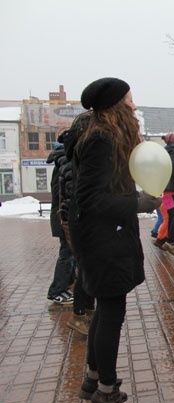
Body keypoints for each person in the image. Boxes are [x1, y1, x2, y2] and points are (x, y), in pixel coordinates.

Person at [69, 77, 160, 403]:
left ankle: (94, 381)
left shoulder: (102, 136)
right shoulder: (102, 140)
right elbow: (91, 199)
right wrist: (138, 201)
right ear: (115, 106)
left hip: (101, 237)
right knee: (111, 314)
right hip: (102, 239)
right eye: (130, 100)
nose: (134, 106)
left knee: (104, 310)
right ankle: (106, 392)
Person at [59, 114, 96, 335]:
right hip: (79, 219)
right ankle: (79, 314)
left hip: (77, 218)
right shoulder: (77, 159)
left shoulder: (73, 155)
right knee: (86, 266)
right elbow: (77, 195)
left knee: (87, 266)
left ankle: (86, 311)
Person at [46, 139, 75, 305]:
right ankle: (57, 290)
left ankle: (67, 283)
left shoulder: (62, 162)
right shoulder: (64, 164)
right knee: (67, 254)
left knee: (70, 253)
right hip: (63, 217)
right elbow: (62, 195)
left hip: (63, 216)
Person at [154, 133, 174, 256]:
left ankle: (161, 239)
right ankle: (169, 241)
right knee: (173, 215)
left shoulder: (166, 152)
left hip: (165, 190)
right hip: (172, 190)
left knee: (169, 216)